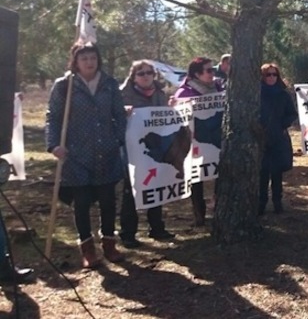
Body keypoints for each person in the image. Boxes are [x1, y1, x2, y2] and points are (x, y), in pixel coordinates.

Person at [46, 42, 126, 269]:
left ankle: (109, 244)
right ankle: (88, 250)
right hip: (76, 154)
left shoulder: (109, 84)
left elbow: (119, 114)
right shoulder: (65, 86)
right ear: (76, 61)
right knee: (81, 203)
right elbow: (53, 117)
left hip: (106, 152)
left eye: (92, 57)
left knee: (108, 201)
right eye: (84, 58)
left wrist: (118, 138)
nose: (89, 62)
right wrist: (53, 145)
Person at [119, 61, 175, 247]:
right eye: (141, 73)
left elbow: (166, 119)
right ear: (133, 76)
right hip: (132, 150)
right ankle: (128, 234)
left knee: (155, 186)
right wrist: (122, 113)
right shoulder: (122, 95)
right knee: (131, 190)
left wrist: (172, 109)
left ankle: (157, 228)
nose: (145, 76)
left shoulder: (160, 93)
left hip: (155, 149)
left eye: (149, 72)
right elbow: (112, 119)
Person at [173, 56, 224, 226]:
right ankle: (199, 215)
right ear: (196, 74)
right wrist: (175, 105)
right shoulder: (184, 92)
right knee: (196, 178)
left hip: (217, 138)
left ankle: (219, 207)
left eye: (213, 70)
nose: (213, 73)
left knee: (221, 173)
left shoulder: (219, 87)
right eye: (209, 70)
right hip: (196, 142)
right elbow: (176, 117)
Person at [258, 63, 298, 215]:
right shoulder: (256, 93)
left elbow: (292, 113)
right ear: (262, 76)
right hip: (261, 138)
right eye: (268, 74)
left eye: (274, 74)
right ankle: (261, 202)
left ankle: (277, 202)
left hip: (278, 138)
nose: (271, 77)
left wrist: (282, 124)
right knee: (262, 173)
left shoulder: (283, 94)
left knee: (277, 173)